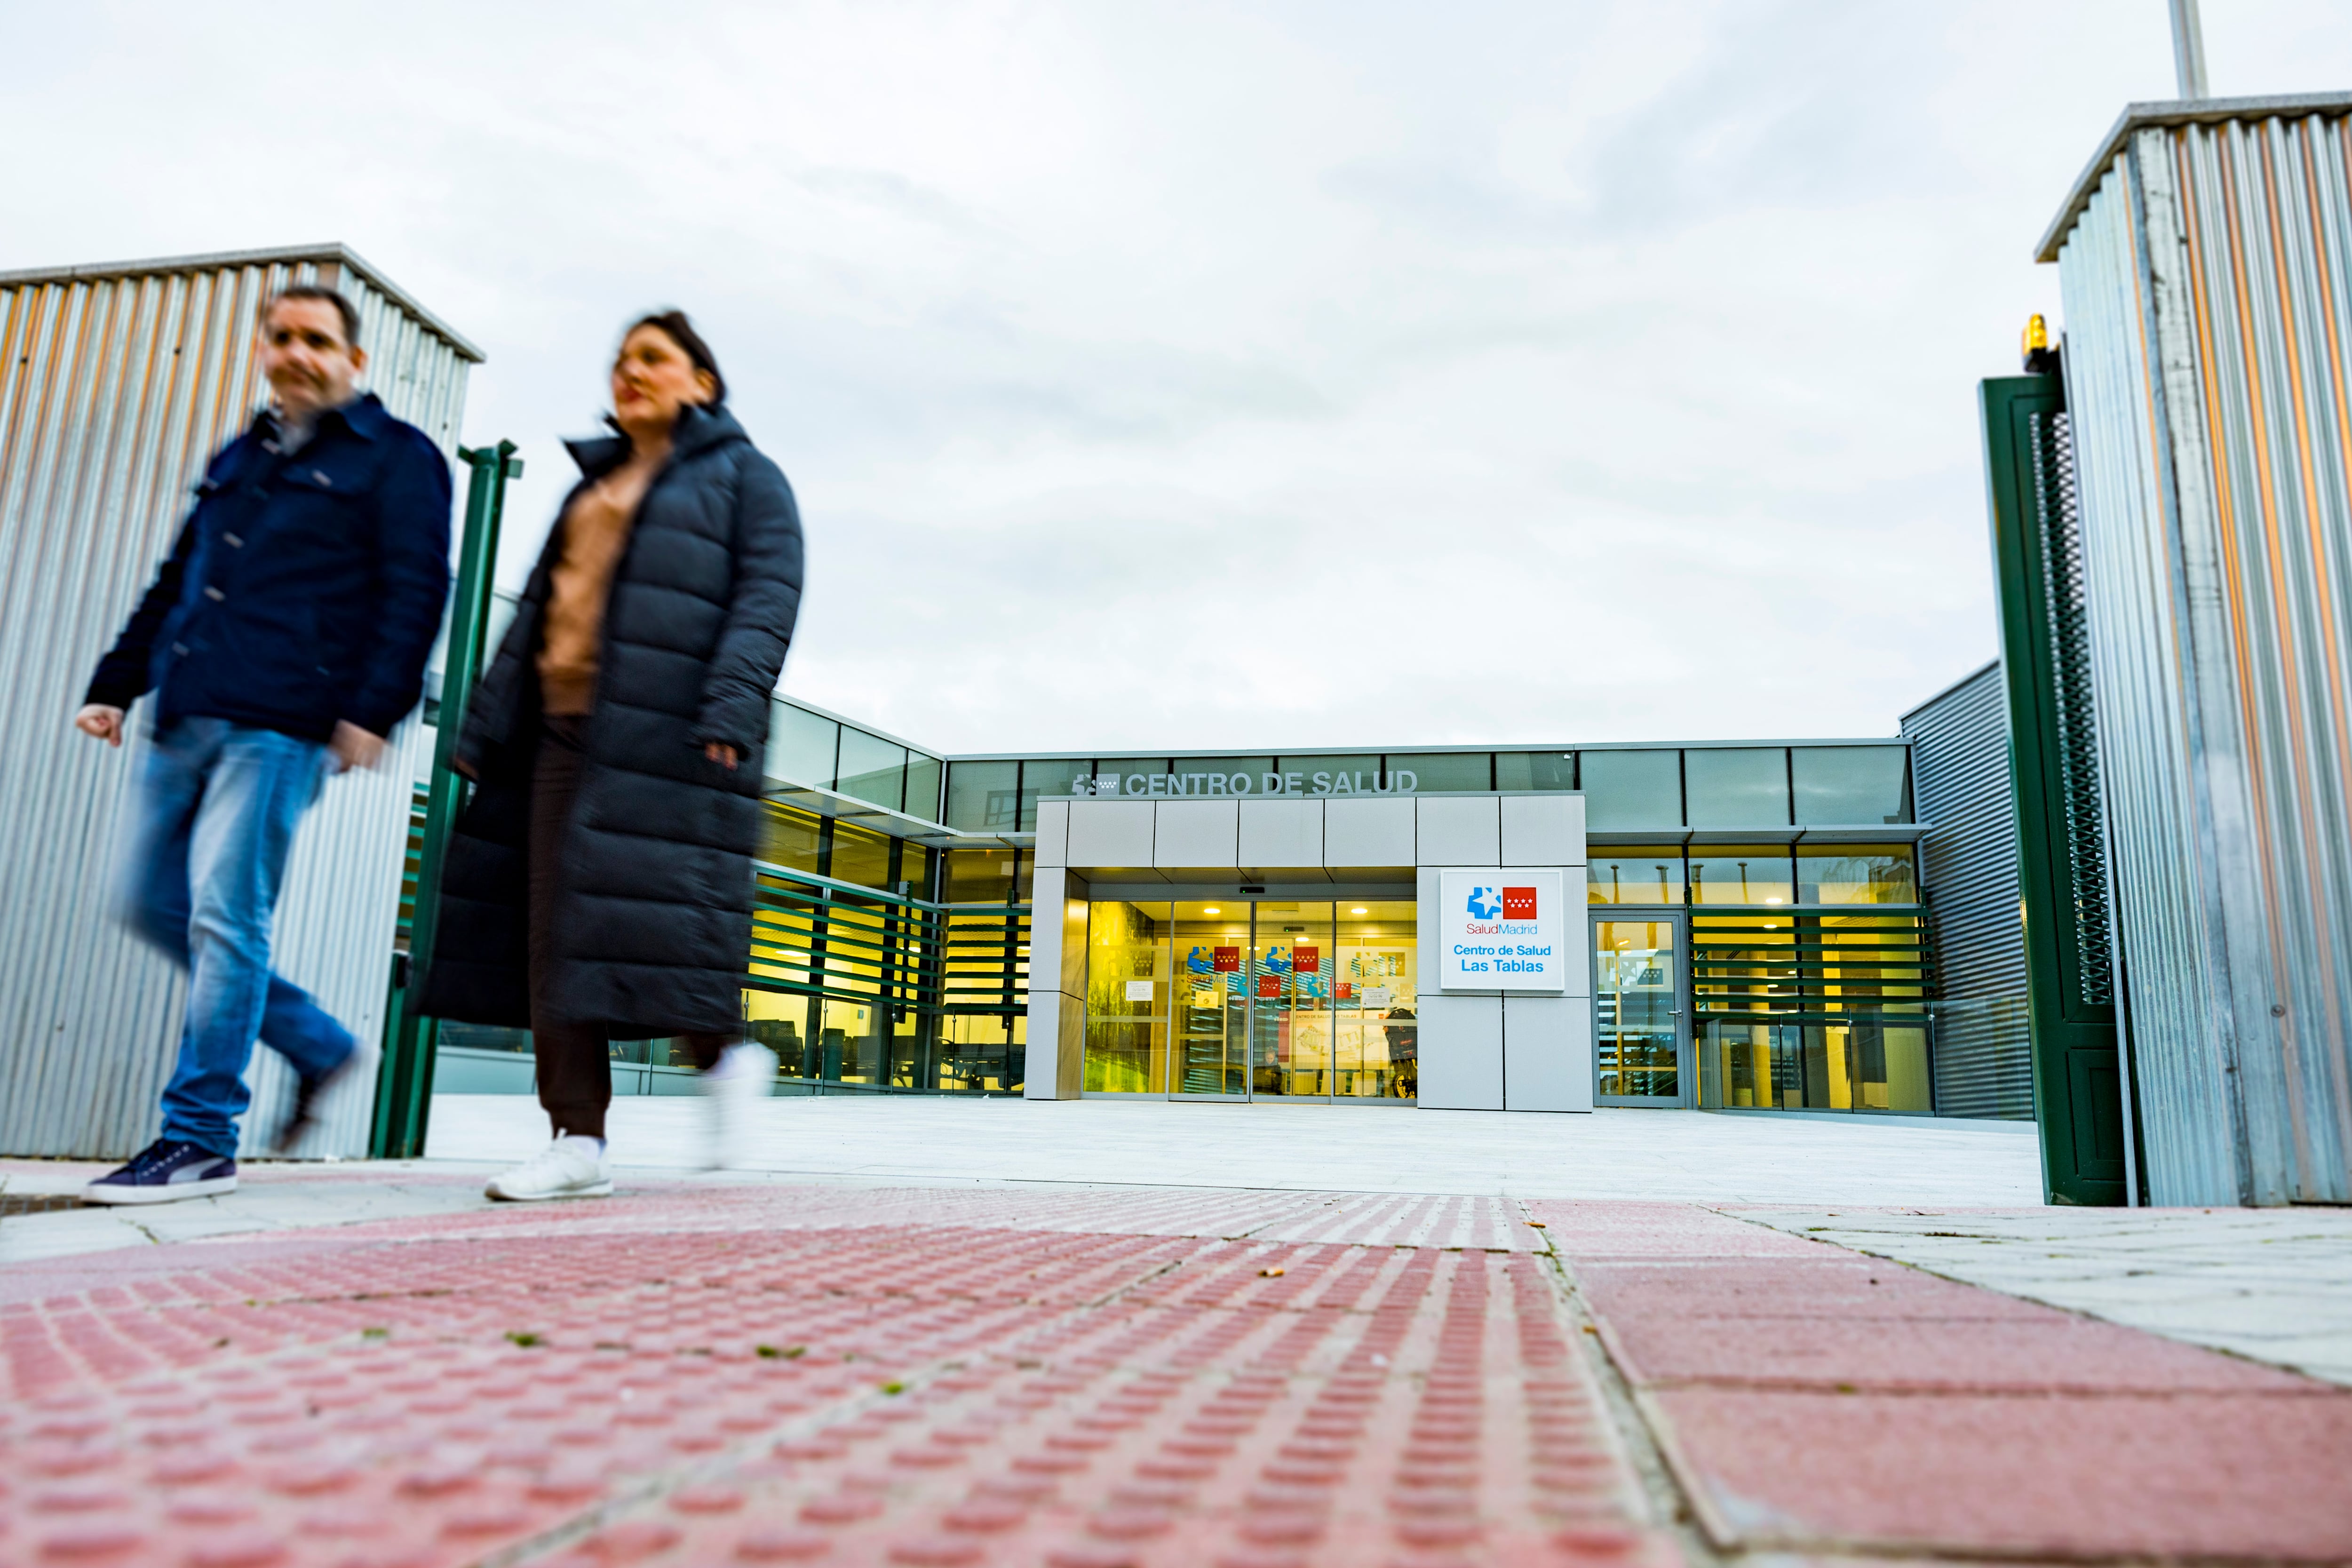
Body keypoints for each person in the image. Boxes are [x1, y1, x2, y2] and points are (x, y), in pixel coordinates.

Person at [75, 286, 453, 1203]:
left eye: (316, 339)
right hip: (189, 709)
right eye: (280, 337)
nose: (296, 352)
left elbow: (416, 592)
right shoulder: (240, 455)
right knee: (148, 902)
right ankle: (317, 1041)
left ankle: (200, 1134)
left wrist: (376, 708)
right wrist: (115, 682)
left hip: (283, 721)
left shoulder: (398, 459)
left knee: (223, 915)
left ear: (354, 360)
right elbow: (181, 578)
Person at [415, 311, 802, 1201]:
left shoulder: (747, 478)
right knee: (556, 938)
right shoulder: (591, 487)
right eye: (622, 361)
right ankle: (576, 1139)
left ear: (702, 382)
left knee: (666, 926)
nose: (631, 372)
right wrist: (483, 730)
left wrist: (734, 702)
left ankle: (726, 1054)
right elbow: (537, 618)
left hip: (675, 732)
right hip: (561, 733)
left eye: (653, 359)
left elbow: (769, 593)